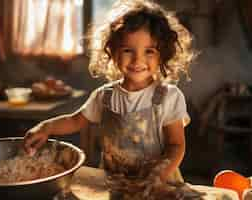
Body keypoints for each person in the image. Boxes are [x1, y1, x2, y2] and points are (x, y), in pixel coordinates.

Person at [24, 0, 195, 195]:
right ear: (113, 52)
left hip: (157, 186)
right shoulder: (104, 96)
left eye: (149, 51)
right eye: (128, 50)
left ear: (162, 55)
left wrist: (158, 174)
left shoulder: (169, 97)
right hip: (114, 185)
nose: (138, 60)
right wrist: (46, 127)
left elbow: (176, 145)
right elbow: (75, 120)